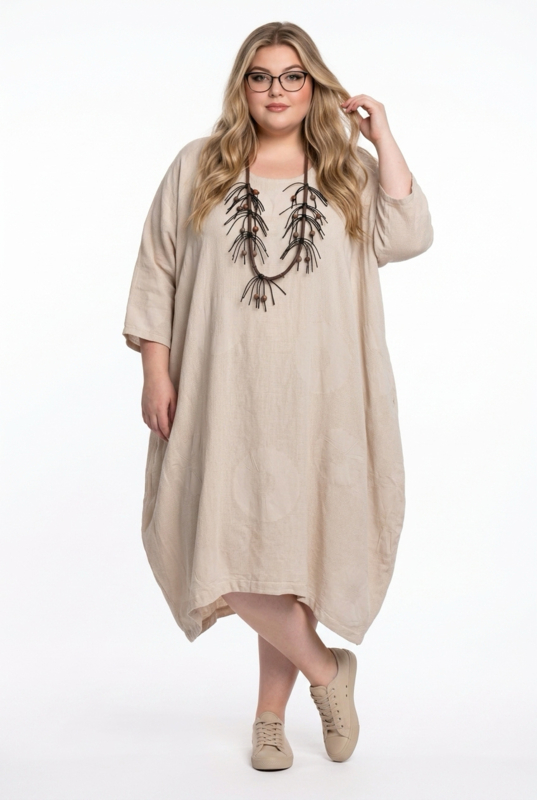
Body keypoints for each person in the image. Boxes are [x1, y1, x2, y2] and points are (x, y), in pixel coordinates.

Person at [122, 21, 433, 771]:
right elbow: (157, 268)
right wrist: (156, 372)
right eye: (261, 76)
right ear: (243, 86)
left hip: (319, 396)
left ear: (313, 85)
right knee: (225, 543)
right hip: (221, 393)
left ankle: (269, 719)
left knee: (286, 552)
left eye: (293, 76)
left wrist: (382, 134)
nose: (276, 90)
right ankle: (327, 673)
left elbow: (407, 234)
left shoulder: (346, 170)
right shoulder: (198, 165)